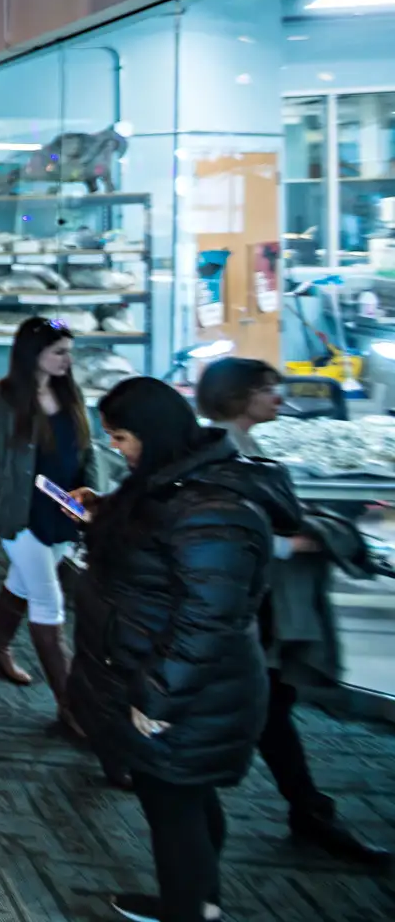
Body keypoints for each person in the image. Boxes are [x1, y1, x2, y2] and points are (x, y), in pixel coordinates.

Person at [68, 377, 288, 922]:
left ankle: (191, 907)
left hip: (186, 695)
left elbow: (208, 618)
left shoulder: (210, 507)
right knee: (182, 802)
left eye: (121, 437)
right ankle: (193, 899)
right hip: (166, 681)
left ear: (151, 432)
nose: (116, 448)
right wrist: (102, 515)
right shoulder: (171, 482)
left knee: (176, 811)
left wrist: (158, 699)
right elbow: (156, 561)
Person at [195, 358, 389, 869]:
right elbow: (233, 530)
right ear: (239, 395)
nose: (277, 397)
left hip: (249, 607)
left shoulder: (237, 447)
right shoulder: (224, 452)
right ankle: (301, 813)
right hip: (242, 608)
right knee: (262, 711)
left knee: (271, 711)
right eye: (266, 388)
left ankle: (306, 809)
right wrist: (300, 542)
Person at [0, 316, 105, 739]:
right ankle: (73, 708)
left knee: (22, 582)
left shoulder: (71, 394)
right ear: (34, 355)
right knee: (48, 603)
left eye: (69, 351)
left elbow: (87, 451)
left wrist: (92, 496)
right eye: (59, 352)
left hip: (62, 512)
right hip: (20, 515)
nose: (68, 360)